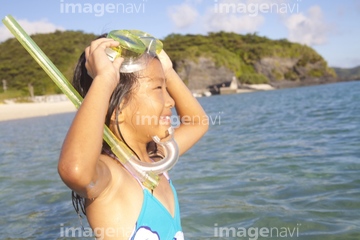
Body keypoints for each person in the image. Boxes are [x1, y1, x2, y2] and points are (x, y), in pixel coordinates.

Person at [58, 32, 209, 240]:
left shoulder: (155, 160)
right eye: (158, 88)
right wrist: (104, 79)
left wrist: (168, 72)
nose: (171, 101)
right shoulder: (111, 178)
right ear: (120, 103)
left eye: (167, 88)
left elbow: (197, 123)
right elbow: (74, 170)